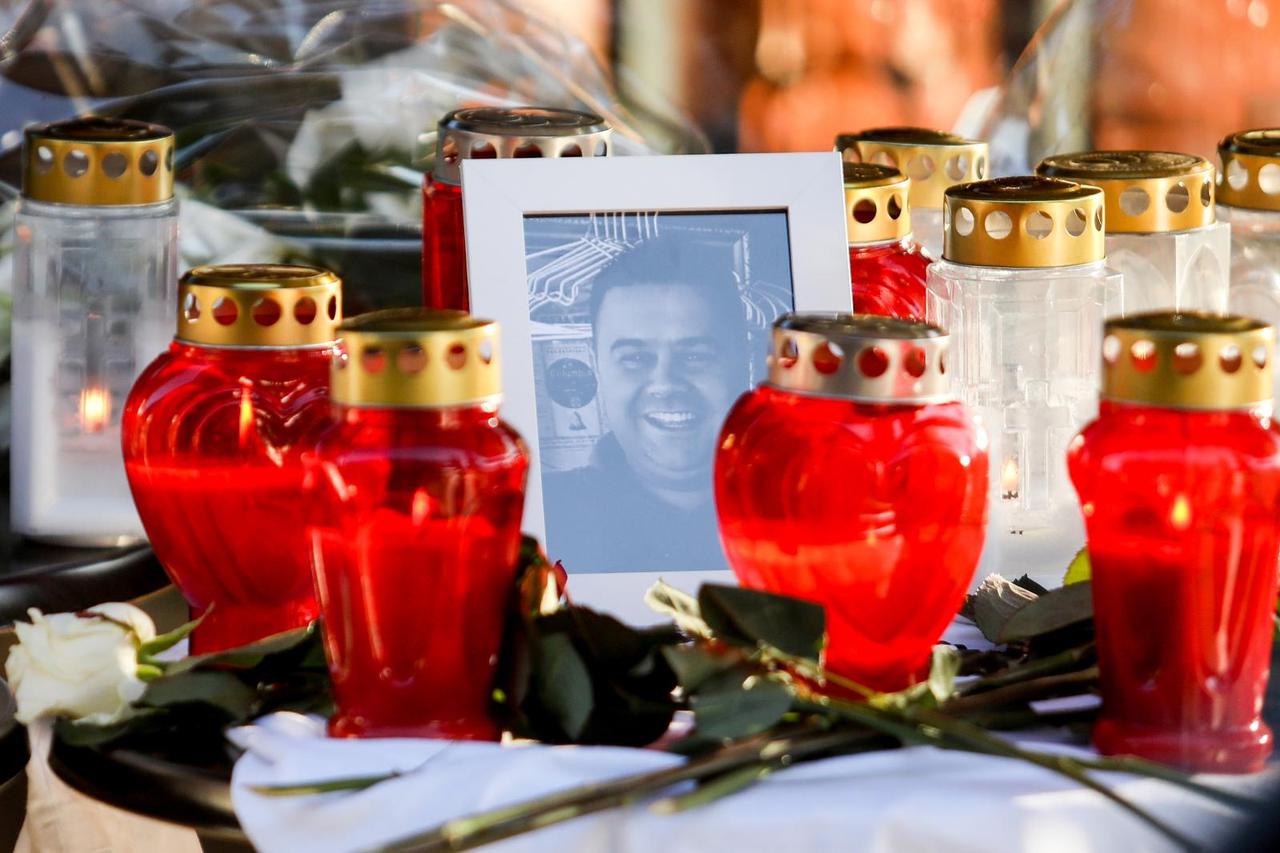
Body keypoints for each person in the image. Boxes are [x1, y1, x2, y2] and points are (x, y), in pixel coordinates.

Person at [540, 235, 752, 573]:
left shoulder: (813, 502)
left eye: (695, 356)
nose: (665, 384)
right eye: (635, 358)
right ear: (597, 365)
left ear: (744, 359)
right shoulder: (539, 514)